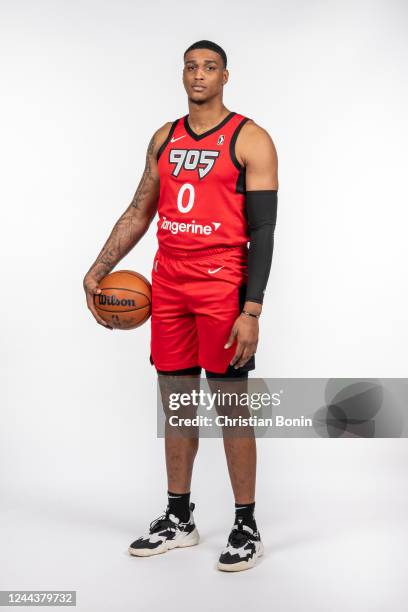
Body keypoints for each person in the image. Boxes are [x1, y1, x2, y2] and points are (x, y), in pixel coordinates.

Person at [83, 40, 278, 572]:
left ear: (225, 76)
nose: (199, 75)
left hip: (222, 287)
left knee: (232, 404)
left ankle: (246, 524)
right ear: (182, 74)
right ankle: (179, 517)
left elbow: (263, 229)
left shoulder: (250, 139)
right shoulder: (164, 138)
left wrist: (252, 309)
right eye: (191, 67)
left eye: (209, 67)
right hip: (168, 284)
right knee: (176, 401)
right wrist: (99, 268)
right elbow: (139, 209)